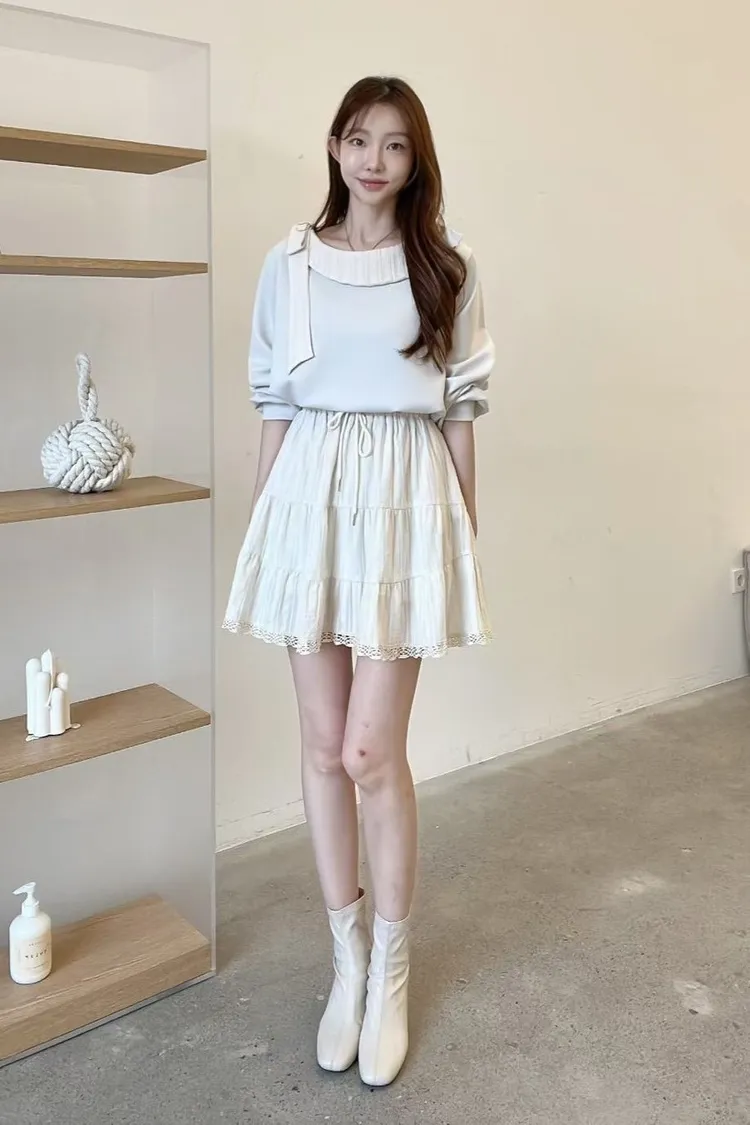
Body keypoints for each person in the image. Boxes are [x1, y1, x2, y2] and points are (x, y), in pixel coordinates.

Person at [223, 75, 494, 1087]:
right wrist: (264, 529)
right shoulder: (289, 263)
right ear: (334, 148)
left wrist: (461, 537)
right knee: (321, 747)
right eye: (358, 139)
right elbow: (274, 403)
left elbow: (460, 409)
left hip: (404, 505)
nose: (374, 160)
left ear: (416, 160)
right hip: (309, 500)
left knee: (371, 750)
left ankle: (391, 971)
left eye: (395, 144)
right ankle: (345, 964)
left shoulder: (447, 267)